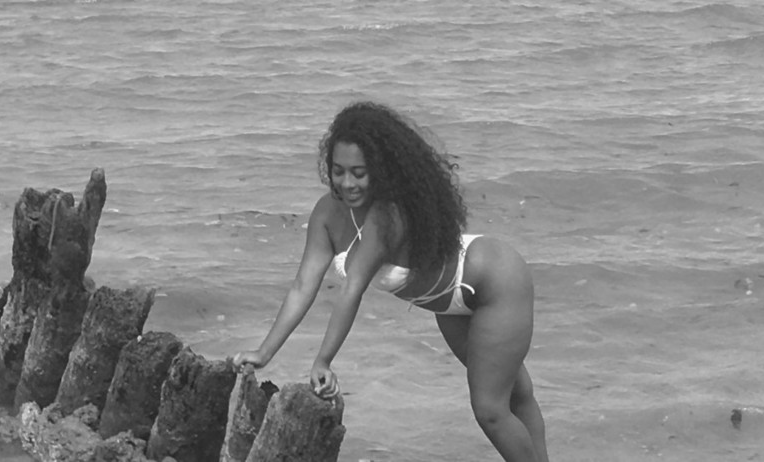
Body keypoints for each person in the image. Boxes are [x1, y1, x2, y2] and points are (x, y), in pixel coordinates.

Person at [234, 101, 549, 462]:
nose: (348, 183)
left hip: (493, 280)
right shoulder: (326, 214)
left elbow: (352, 289)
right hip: (449, 303)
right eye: (338, 171)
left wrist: (323, 361)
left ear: (380, 170)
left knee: (490, 410)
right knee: (515, 394)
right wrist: (265, 352)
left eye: (359, 173)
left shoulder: (387, 215)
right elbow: (303, 286)